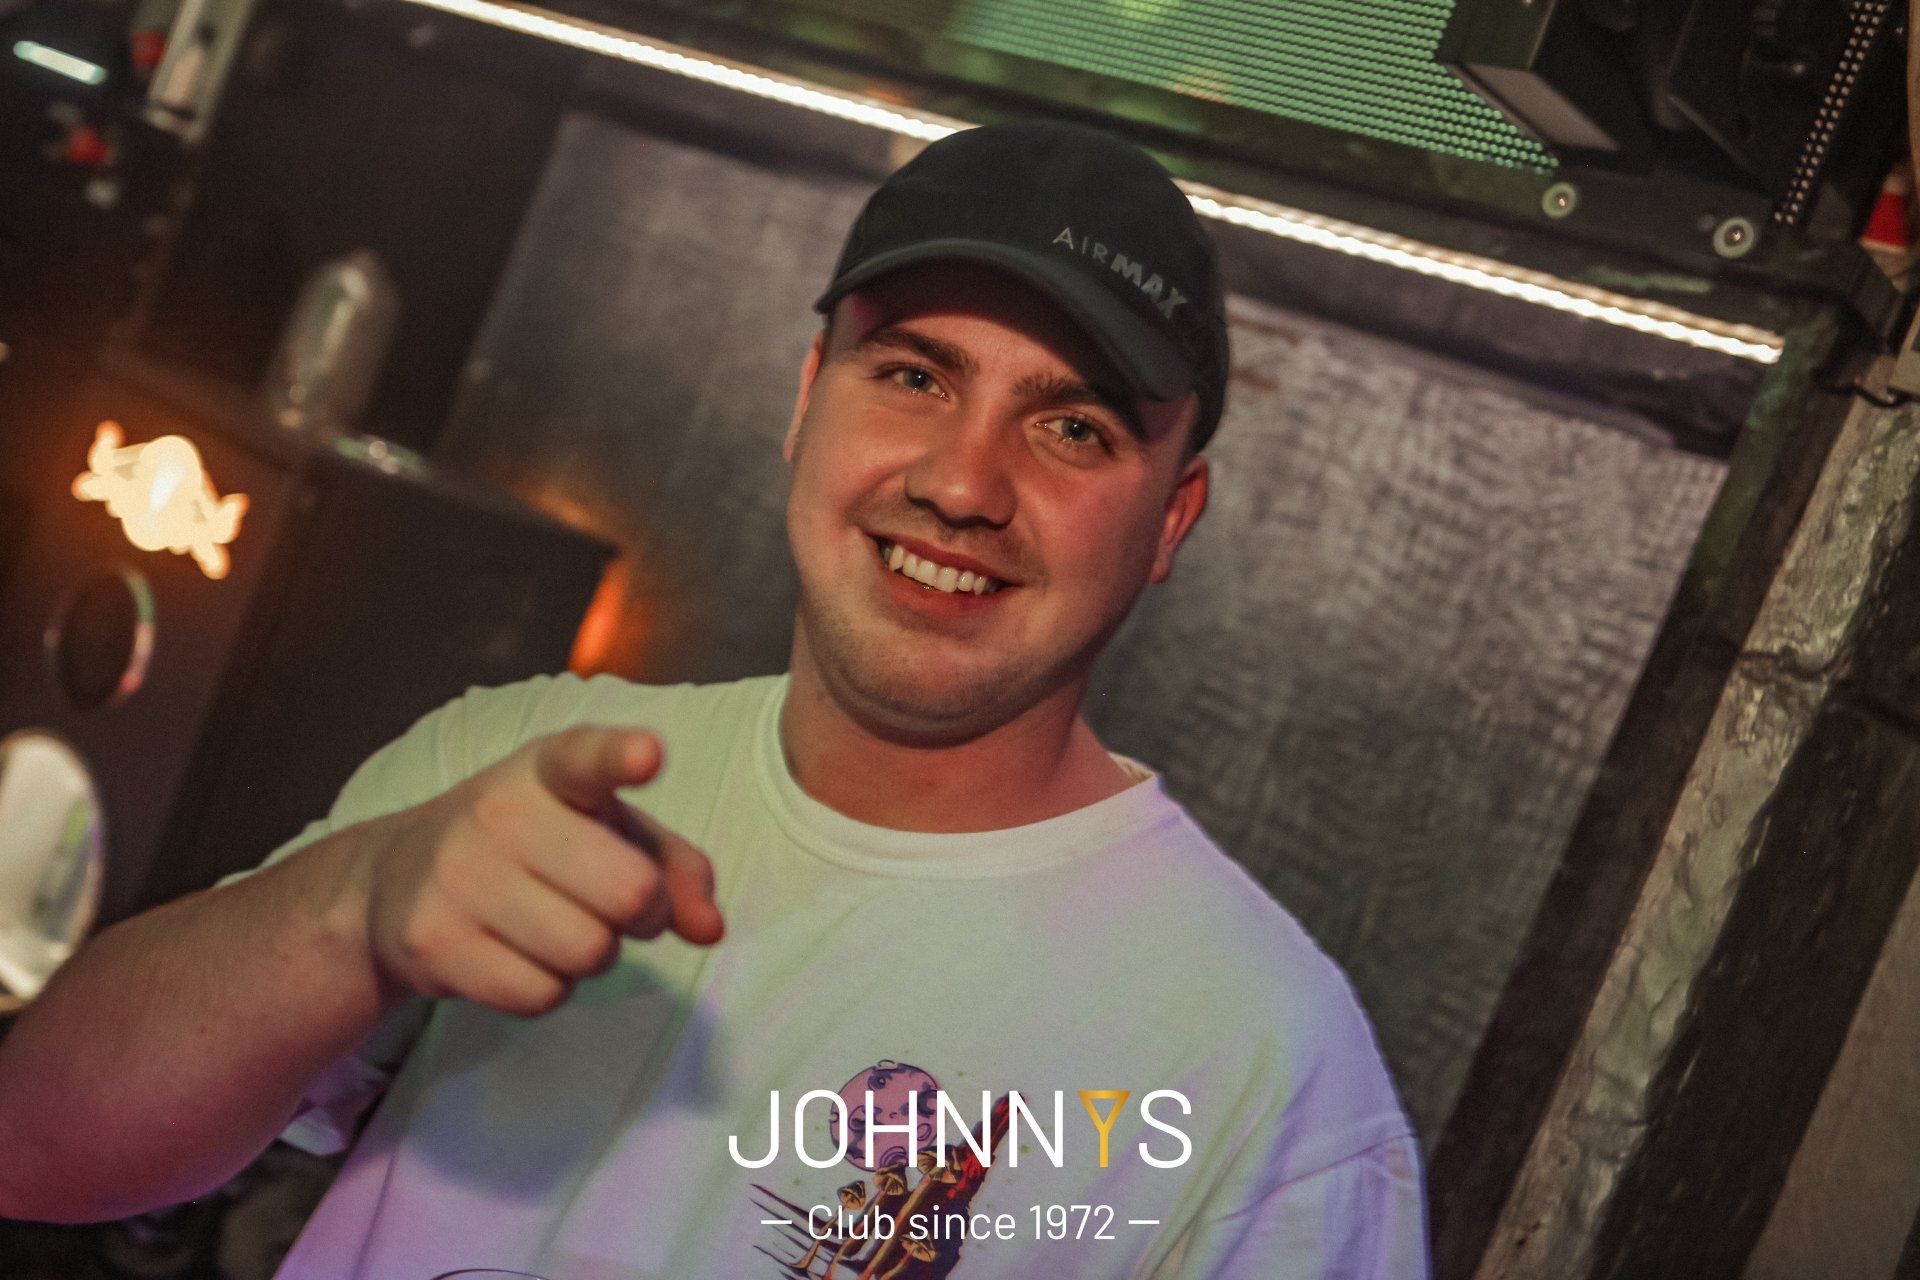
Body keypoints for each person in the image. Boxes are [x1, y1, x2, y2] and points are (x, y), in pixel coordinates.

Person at [0, 120, 1427, 1278]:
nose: (961, 483)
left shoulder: (1264, 1070)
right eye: (913, 374)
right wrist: (355, 905)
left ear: (1171, 518)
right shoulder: (517, 764)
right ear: (808, 398)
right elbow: (35, 1148)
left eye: (1071, 425)